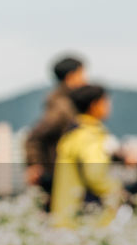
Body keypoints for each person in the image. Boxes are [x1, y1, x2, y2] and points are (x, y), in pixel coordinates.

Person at [50, 84, 123, 228]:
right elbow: (95, 175)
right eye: (106, 102)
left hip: (65, 216)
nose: (109, 107)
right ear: (95, 105)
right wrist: (119, 192)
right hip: (86, 220)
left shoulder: (72, 134)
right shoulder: (91, 136)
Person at [24, 54, 87, 208]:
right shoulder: (63, 105)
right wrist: (34, 164)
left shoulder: (65, 101)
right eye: (82, 74)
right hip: (56, 171)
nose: (85, 79)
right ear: (71, 76)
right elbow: (35, 136)